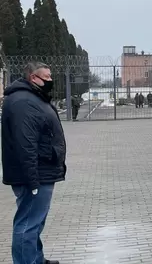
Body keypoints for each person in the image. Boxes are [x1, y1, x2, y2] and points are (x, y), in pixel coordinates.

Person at [1, 62, 65, 264]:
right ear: (33, 78)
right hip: (34, 174)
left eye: (50, 76)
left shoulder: (33, 98)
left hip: (42, 170)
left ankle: (36, 259)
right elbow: (25, 143)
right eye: (46, 77)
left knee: (34, 222)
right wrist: (33, 180)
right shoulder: (23, 102)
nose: (50, 80)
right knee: (28, 224)